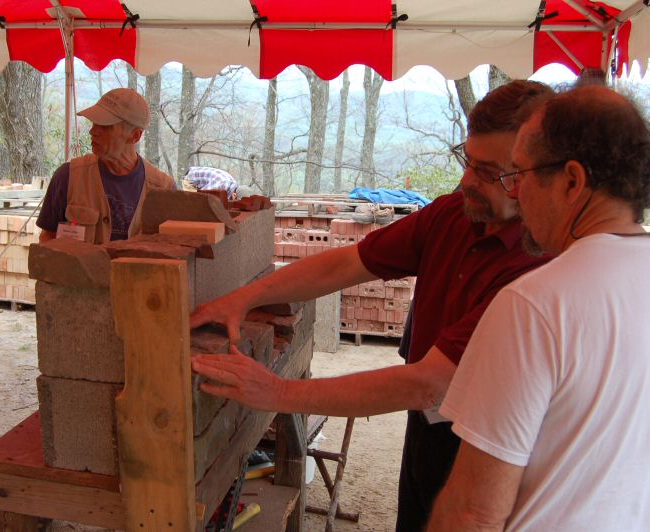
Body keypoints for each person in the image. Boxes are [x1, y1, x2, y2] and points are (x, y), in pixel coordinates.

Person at [190, 80, 554, 531]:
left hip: (490, 446)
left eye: (489, 172)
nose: (466, 180)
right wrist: (245, 297)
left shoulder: (539, 264)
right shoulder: (451, 213)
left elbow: (427, 384)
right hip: (430, 426)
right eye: (467, 160)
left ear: (535, 173)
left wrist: (279, 393)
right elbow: (346, 263)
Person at [428, 86, 650, 531]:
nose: (516, 193)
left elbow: (474, 513)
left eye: (521, 174)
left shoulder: (532, 305)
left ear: (572, 181)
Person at [37, 88, 175, 244]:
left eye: (106, 126)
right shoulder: (68, 176)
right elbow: (47, 237)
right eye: (94, 123)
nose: (93, 131)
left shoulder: (164, 190)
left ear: (135, 135)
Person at [182, 166, 251, 200]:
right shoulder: (221, 186)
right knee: (193, 201)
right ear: (234, 195)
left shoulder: (233, 186)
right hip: (190, 179)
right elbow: (202, 193)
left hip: (200, 178)